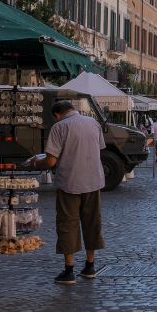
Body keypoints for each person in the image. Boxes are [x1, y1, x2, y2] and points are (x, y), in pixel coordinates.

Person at [29, 99, 106, 284]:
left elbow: (50, 162)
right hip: (94, 180)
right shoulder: (93, 123)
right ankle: (90, 266)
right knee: (92, 222)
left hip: (69, 182)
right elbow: (99, 148)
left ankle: (69, 270)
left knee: (67, 224)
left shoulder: (59, 127)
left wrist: (34, 162)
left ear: (57, 114)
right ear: (72, 109)